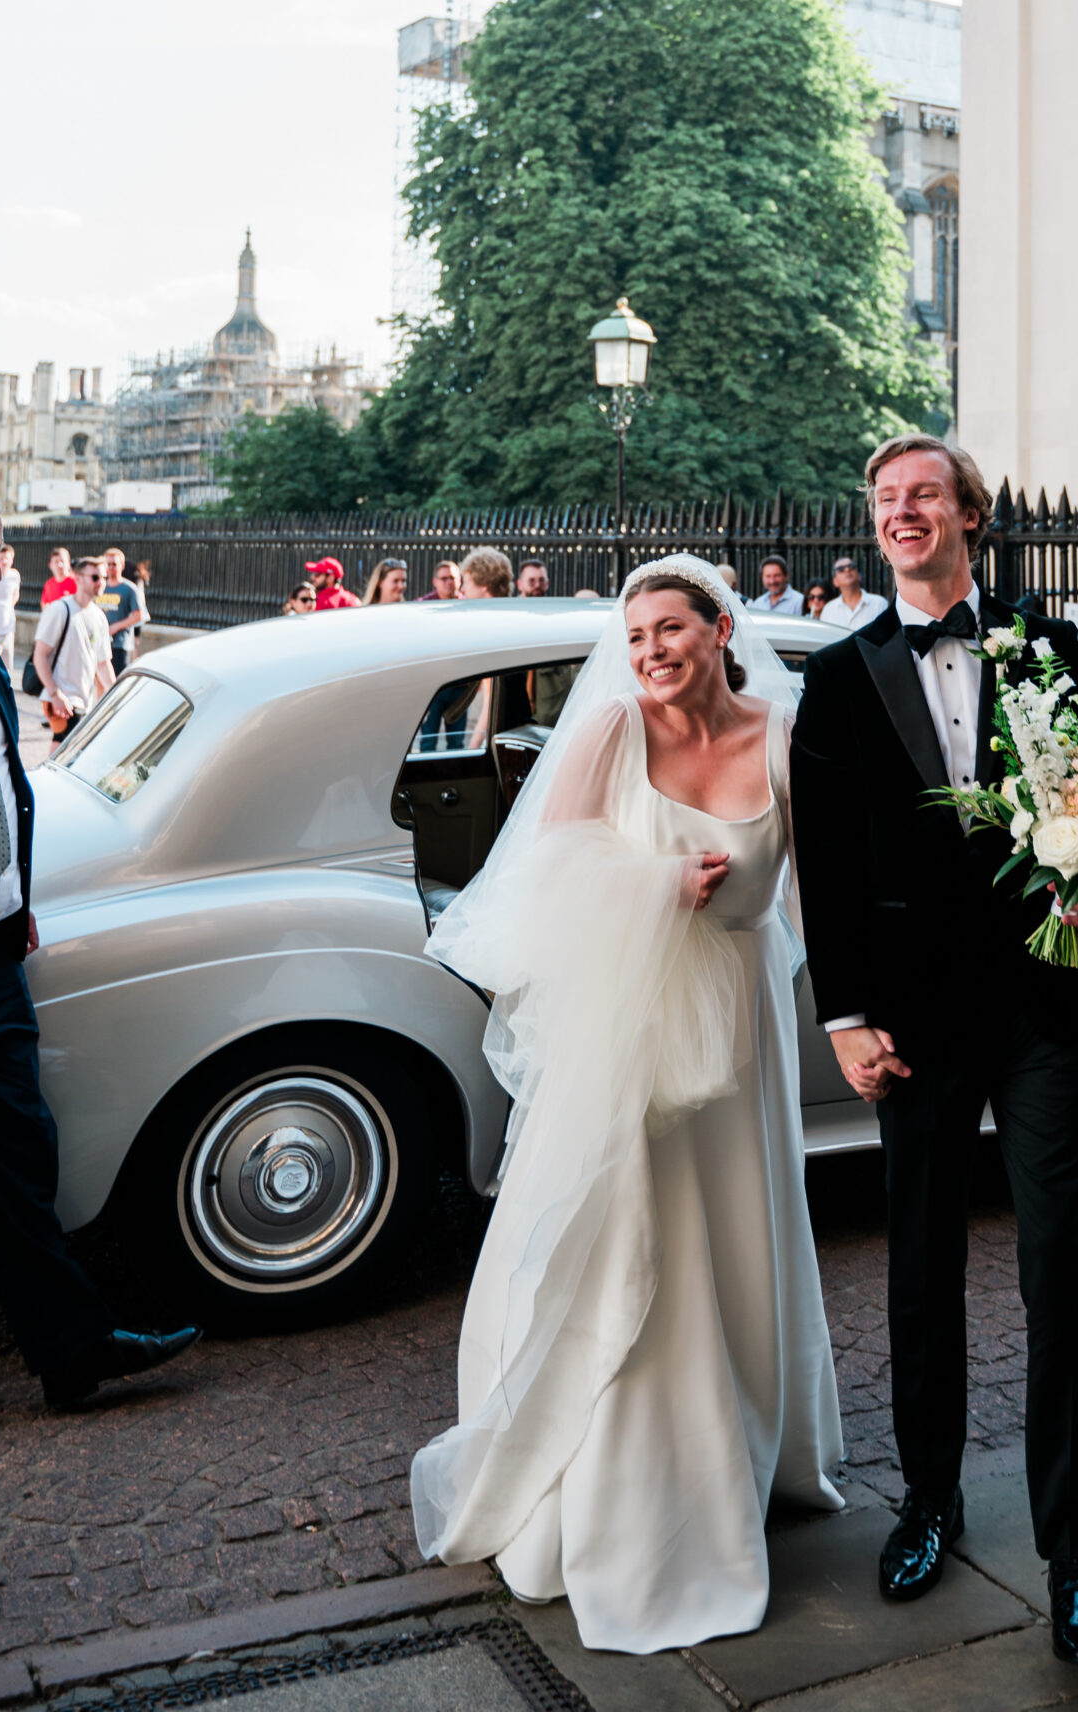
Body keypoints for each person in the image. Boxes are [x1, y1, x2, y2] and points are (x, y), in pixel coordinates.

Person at [411, 556, 842, 1651]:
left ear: (721, 628)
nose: (649, 651)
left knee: (732, 1238)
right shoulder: (608, 731)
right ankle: (615, 1477)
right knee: (626, 1239)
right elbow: (541, 877)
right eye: (635, 633)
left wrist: (860, 1010)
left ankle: (742, 1447)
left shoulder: (779, 738)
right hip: (625, 1032)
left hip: (737, 1031)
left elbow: (820, 891)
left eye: (670, 630)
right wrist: (655, 883)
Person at [791, 434, 1078, 1669]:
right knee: (921, 1269)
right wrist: (844, 1014)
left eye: (923, 492)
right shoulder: (836, 677)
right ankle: (927, 1502)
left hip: (1048, 1005)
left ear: (969, 514)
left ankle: (1074, 1559)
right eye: (884, 499)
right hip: (913, 1020)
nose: (901, 511)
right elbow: (826, 861)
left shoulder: (1051, 647)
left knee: (1062, 1275)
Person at [0, 475, 200, 1408]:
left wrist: (10, 894)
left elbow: (0, 779)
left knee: (17, 1161)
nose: (2, 571)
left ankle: (73, 1354)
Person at [32, 557, 113, 741]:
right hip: (64, 697)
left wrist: (115, 693)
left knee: (63, 753)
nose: (101, 582)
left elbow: (103, 663)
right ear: (78, 578)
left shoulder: (99, 617)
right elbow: (40, 655)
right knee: (66, 749)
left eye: (104, 577)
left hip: (86, 699)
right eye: (95, 577)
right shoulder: (60, 609)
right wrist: (54, 693)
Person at [458, 551, 529, 732]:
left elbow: (491, 700)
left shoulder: (493, 628)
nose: (462, 590)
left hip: (503, 729)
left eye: (466, 582)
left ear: (483, 585)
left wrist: (474, 744)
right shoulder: (511, 619)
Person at [98, 547, 145, 678]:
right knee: (99, 682)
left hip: (119, 643)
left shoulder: (129, 589)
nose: (111, 567)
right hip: (99, 641)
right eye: (108, 564)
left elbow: (138, 615)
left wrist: (116, 627)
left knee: (116, 681)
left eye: (114, 564)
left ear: (122, 566)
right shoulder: (99, 586)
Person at [820, 556, 888, 634]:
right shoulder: (829, 609)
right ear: (835, 581)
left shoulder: (879, 603)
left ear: (859, 576)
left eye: (851, 567)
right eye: (840, 569)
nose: (847, 570)